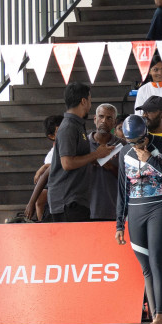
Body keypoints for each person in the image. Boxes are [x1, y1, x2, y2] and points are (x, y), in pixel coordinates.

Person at [114, 113, 162, 324]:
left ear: (146, 134)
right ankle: (156, 317)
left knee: (157, 262)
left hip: (160, 206)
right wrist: (119, 223)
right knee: (146, 266)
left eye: (138, 140)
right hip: (136, 210)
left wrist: (151, 160)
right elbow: (122, 189)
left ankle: (161, 316)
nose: (135, 145)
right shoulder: (125, 152)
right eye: (130, 142)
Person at [46, 84, 114, 223]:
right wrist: (96, 154)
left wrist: (94, 159)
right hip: (68, 201)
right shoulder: (69, 126)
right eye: (89, 99)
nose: (90, 104)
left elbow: (76, 158)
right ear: (83, 101)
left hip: (77, 198)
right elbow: (67, 163)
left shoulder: (76, 124)